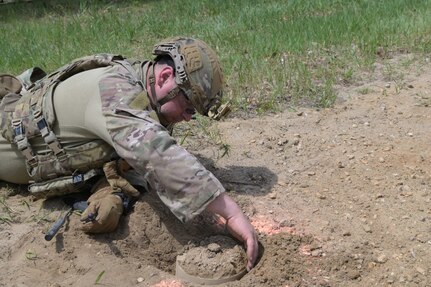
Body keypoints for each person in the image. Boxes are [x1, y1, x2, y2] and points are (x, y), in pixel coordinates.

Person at [0, 37, 258, 270]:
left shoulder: (140, 86)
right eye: (189, 107)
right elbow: (155, 152)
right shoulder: (116, 92)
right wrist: (231, 213)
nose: (188, 119)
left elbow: (136, 148)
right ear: (165, 76)